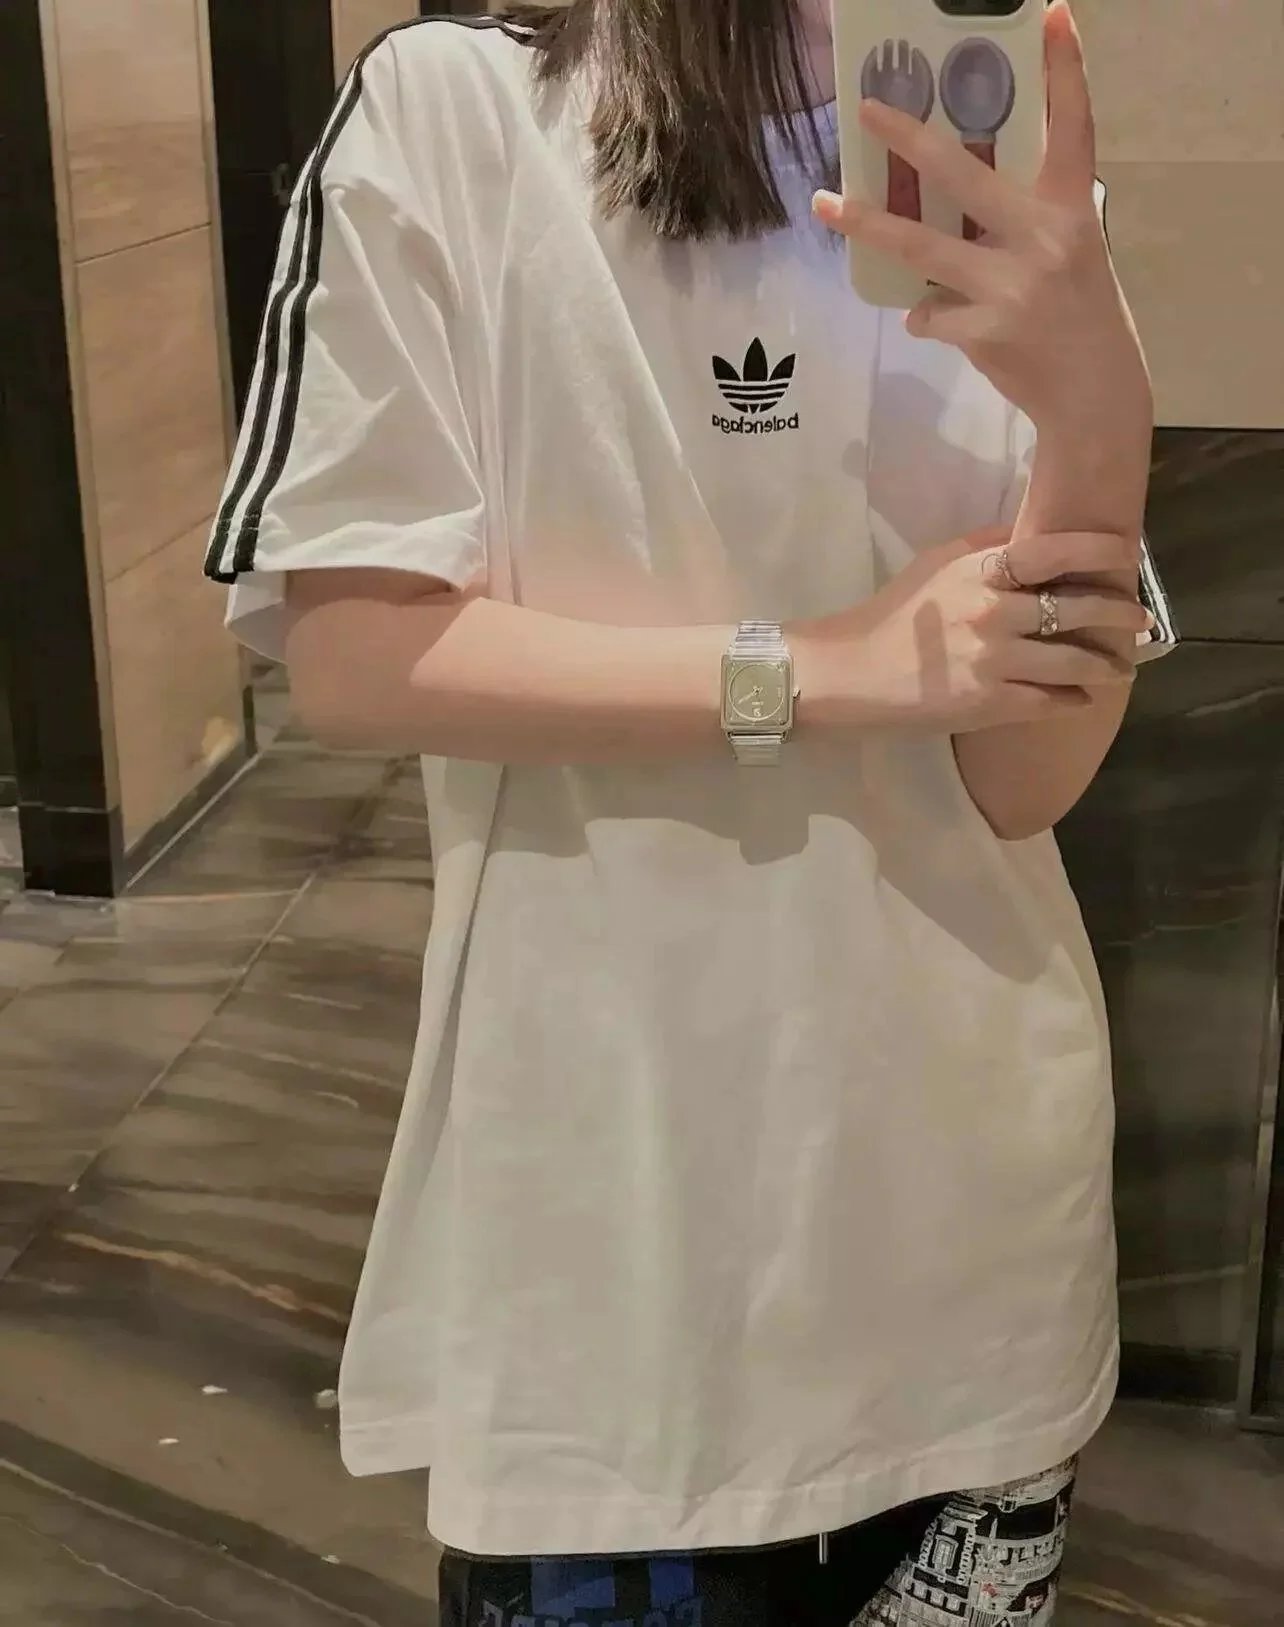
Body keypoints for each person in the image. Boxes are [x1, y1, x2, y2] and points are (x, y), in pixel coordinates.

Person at [205, 2, 1162, 1621]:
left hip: (970, 1251)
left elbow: (1023, 783)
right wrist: (824, 669)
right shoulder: (462, 107)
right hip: (619, 1256)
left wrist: (1102, 413)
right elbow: (358, 657)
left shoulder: (984, 149)